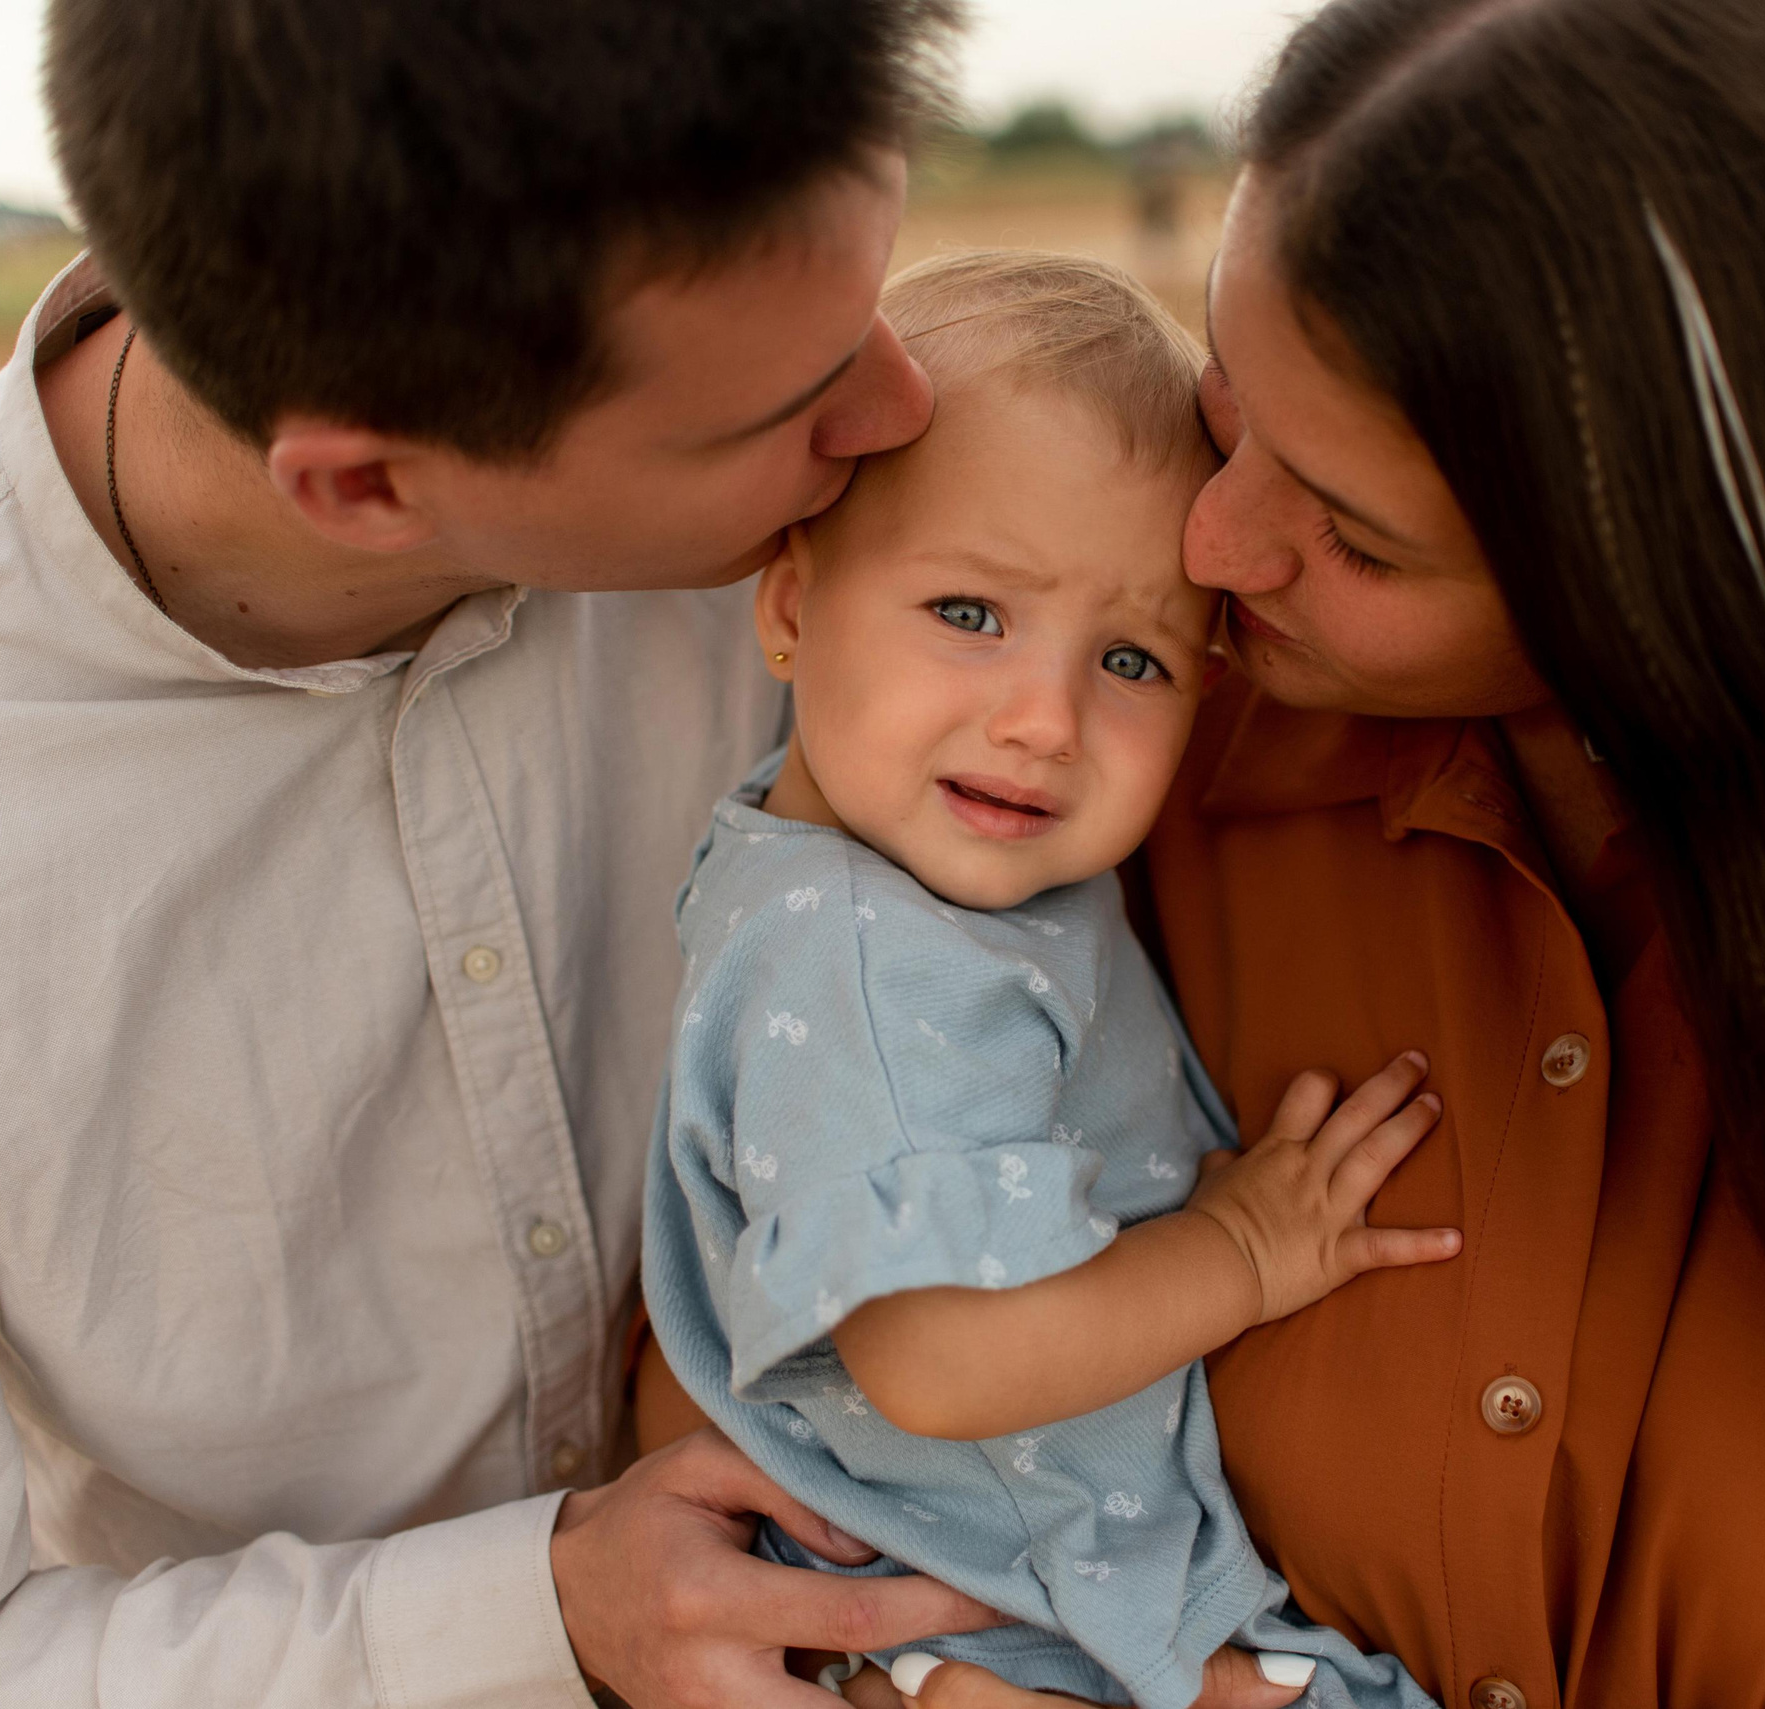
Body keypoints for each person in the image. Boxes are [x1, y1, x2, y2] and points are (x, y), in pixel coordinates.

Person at [701, 0, 1765, 1706]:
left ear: (1675, 582)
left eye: (1351, 534)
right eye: (1224, 402)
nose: (1215, 541)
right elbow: (772, 1315)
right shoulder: (1095, 764)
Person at [0, 4, 1159, 1706]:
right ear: (364, 486)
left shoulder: (855, 514)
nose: (897, 409)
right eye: (789, 403)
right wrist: (548, 1613)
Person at [643, 251, 1449, 1709]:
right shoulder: (873, 960)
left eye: (1134, 659)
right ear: (786, 609)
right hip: (1011, 1616)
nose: (1042, 720)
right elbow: (938, 1359)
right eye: (969, 613)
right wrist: (1244, 1255)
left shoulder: (865, 853)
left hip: (1017, 1583)